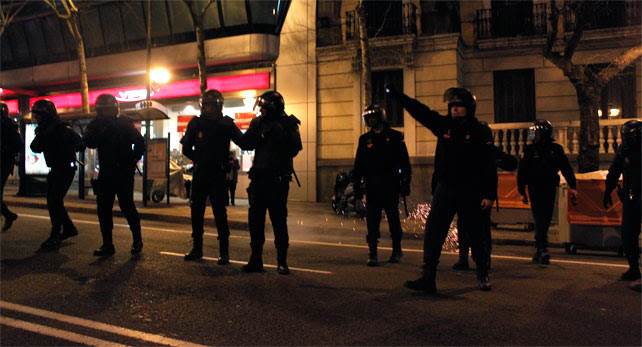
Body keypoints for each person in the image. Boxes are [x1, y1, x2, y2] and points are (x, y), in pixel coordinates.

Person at [386, 84, 497, 293]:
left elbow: (489, 166)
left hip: (470, 191)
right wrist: (399, 97)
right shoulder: (444, 125)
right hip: (445, 189)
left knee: (476, 235)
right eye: (452, 105)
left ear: (469, 107)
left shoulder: (479, 131)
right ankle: (428, 278)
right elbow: (421, 111)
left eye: (459, 105)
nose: (455, 108)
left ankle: (483, 274)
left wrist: (489, 195)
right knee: (433, 234)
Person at [238, 91, 302, 275]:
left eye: (264, 107)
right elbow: (246, 143)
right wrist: (262, 136)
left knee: (279, 222)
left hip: (278, 181)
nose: (262, 110)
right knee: (255, 222)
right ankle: (255, 260)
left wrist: (279, 134)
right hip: (259, 180)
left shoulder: (288, 123)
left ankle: (282, 261)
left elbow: (295, 148)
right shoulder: (258, 123)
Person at [181, 89, 243, 263]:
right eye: (206, 105)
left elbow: (244, 142)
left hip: (217, 174)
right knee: (196, 211)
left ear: (219, 106)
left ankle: (224, 252)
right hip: (201, 173)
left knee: (220, 213)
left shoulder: (226, 123)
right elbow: (186, 148)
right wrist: (200, 159)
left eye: (211, 105)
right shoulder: (195, 123)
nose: (208, 109)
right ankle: (197, 248)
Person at [82, 94, 145, 257]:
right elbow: (88, 141)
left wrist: (132, 159)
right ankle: (107, 244)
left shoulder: (123, 122)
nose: (107, 113)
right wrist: (101, 131)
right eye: (104, 110)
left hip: (123, 171)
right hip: (106, 170)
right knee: (103, 208)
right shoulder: (96, 124)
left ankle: (137, 240)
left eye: (109, 109)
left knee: (127, 206)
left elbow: (139, 141)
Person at [451, 121, 518, 270]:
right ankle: (463, 258)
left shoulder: (489, 151)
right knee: (463, 227)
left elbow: (509, 164)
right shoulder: (466, 149)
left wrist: (489, 196)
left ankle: (483, 259)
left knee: (482, 230)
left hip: (481, 196)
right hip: (465, 194)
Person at [353, 104, 411, 266]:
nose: (371, 120)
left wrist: (406, 182)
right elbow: (359, 164)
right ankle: (373, 253)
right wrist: (357, 186)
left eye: (374, 116)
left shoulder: (394, 137)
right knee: (372, 220)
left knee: (393, 220)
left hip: (391, 185)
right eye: (368, 117)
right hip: (372, 186)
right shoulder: (365, 139)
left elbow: (404, 162)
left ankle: (397, 250)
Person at [518, 120, 577, 265]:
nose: (534, 135)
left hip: (549, 187)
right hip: (534, 188)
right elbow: (523, 171)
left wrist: (573, 186)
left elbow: (566, 168)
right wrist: (522, 191)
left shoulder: (555, 149)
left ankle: (541, 247)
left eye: (537, 133)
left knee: (546, 218)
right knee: (540, 218)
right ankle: (542, 247)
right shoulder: (530, 150)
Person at [29, 99, 85, 251]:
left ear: (46, 115)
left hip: (65, 168)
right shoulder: (45, 129)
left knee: (54, 200)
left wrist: (70, 144)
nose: (37, 118)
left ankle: (56, 234)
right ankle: (68, 228)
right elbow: (35, 147)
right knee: (54, 200)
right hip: (56, 168)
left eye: (39, 114)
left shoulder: (60, 128)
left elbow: (79, 142)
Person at [603, 119, 641, 281]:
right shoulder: (624, 150)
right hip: (631, 196)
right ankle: (633, 267)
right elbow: (614, 170)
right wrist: (608, 190)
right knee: (627, 233)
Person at [1, 102, 23, 231]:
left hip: (4, 163)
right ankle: (8, 215)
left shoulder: (10, 126)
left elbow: (18, 145)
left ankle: (8, 215)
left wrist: (5, 150)